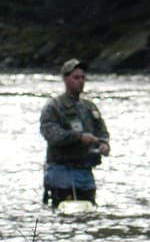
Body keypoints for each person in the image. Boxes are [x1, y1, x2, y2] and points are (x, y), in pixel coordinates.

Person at [40, 59, 111, 207]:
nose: (81, 82)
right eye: (76, 78)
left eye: (83, 78)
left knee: (88, 210)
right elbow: (51, 134)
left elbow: (102, 131)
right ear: (66, 79)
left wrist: (104, 144)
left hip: (85, 173)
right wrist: (79, 138)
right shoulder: (53, 107)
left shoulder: (89, 107)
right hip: (60, 171)